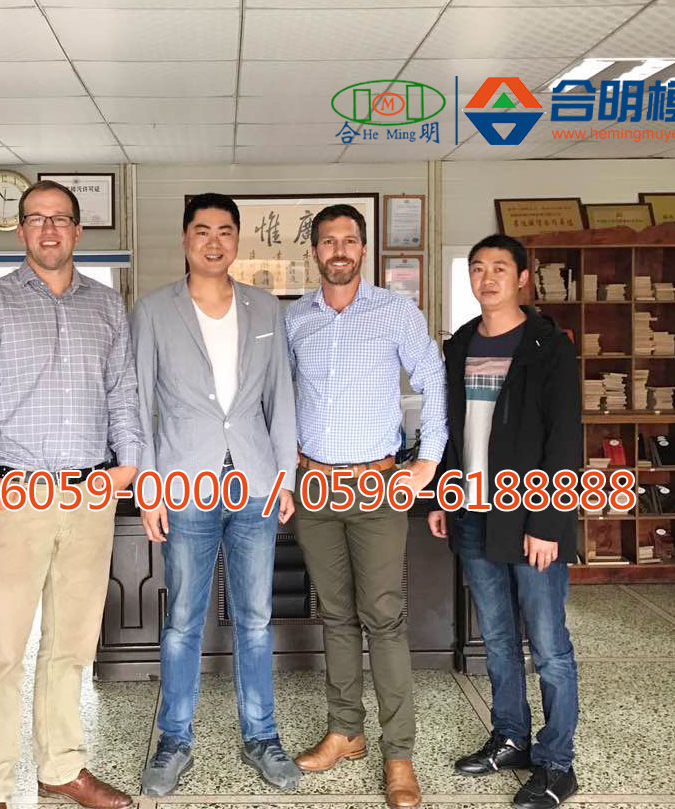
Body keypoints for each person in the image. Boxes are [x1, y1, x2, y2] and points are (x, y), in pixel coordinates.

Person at [0, 180, 144, 809]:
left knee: (72, 645)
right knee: (1, 650)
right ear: (21, 230)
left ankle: (61, 767)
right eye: (36, 219)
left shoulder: (106, 306)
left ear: (78, 231)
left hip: (90, 497)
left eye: (60, 219)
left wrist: (130, 463)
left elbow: (122, 391)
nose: (49, 230)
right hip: (15, 498)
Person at [132, 193, 299, 796]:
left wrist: (285, 475)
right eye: (201, 230)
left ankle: (262, 737)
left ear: (237, 240)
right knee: (183, 620)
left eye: (224, 231)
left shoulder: (264, 308)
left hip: (254, 481)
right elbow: (139, 402)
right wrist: (148, 484)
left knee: (255, 619)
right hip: (184, 484)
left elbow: (281, 396)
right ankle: (174, 740)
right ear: (185, 239)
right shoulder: (154, 310)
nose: (213, 241)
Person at [284, 204, 447, 809]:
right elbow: (280, 395)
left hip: (377, 485)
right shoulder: (296, 318)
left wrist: (427, 461)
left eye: (349, 240)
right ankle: (345, 732)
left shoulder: (395, 311)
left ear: (363, 249)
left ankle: (398, 753)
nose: (339, 250)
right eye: (328, 241)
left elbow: (433, 379)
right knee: (335, 614)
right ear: (315, 251)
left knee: (384, 617)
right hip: (315, 487)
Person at [428, 234, 581, 809]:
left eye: (499, 268)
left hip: (531, 512)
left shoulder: (548, 346)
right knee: (495, 637)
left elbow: (564, 438)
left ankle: (557, 763)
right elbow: (452, 430)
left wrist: (549, 521)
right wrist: (443, 496)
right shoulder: (461, 344)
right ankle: (511, 737)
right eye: (477, 268)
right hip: (472, 511)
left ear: (521, 278)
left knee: (549, 646)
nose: (486, 278)